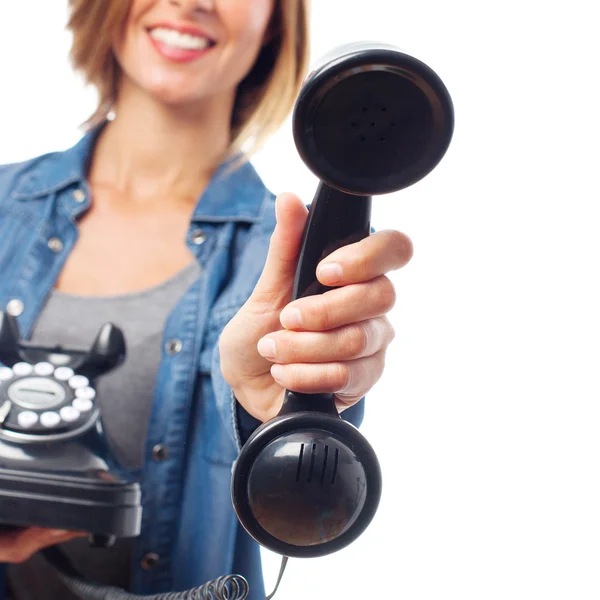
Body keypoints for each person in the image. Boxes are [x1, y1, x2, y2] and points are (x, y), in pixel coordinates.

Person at [0, 0, 413, 598]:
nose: (190, 2)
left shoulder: (291, 265)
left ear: (274, 21)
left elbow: (314, 499)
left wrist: (296, 409)